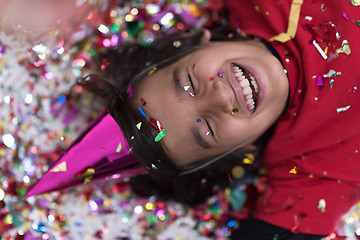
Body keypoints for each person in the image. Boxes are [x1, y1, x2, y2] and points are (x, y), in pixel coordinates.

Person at [26, 0, 360, 239]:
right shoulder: (308, 172)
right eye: (207, 128)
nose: (219, 97)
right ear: (236, 152)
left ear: (198, 44)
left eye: (186, 83)